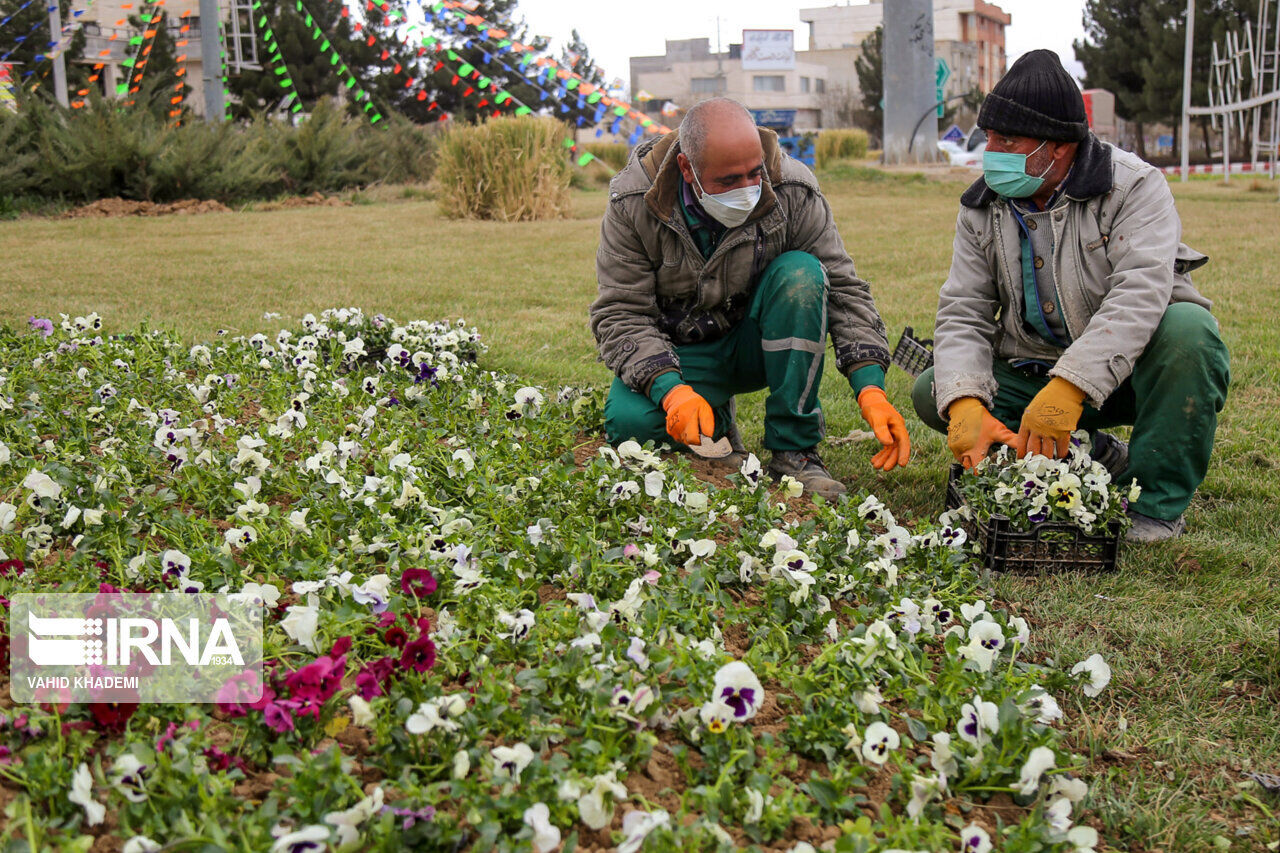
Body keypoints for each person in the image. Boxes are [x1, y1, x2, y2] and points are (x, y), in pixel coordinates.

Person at [912, 50, 1230, 542]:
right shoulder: (982, 206)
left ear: (1057, 147)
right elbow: (964, 311)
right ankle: (1091, 450)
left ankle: (1155, 504)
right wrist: (967, 401)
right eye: (989, 137)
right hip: (1032, 368)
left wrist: (1071, 386)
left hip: (1131, 372)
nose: (989, 150)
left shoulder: (1134, 187)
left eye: (1006, 140)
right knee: (936, 390)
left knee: (1190, 332)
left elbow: (1140, 294)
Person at [589, 98, 910, 501]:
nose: (747, 190)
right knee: (631, 424)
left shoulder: (793, 188)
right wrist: (672, 390)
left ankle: (795, 452)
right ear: (687, 169)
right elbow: (621, 313)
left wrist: (871, 389)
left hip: (757, 341)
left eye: (753, 173)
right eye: (727, 181)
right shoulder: (634, 200)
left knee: (802, 274)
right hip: (683, 351)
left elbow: (844, 289)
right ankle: (715, 421)